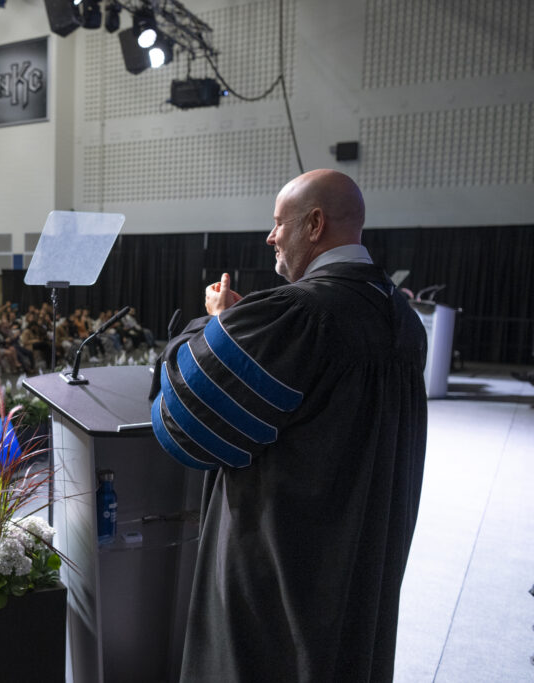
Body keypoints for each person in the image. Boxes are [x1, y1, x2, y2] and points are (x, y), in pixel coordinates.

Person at [150, 169, 428, 681]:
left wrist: (214, 324)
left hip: (282, 560)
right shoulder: (402, 320)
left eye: (279, 223)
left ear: (315, 224)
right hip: (361, 554)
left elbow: (186, 417)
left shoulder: (298, 312)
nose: (270, 236)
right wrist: (243, 327)